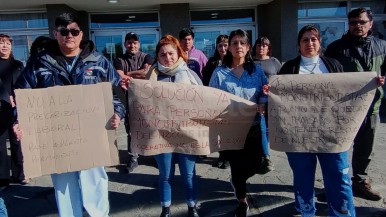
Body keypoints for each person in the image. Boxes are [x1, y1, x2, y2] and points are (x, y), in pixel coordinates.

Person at [14, 13, 125, 217]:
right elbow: (21, 97)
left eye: (74, 31)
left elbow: (117, 95)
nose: (69, 36)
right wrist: (18, 120)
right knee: (64, 184)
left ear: (81, 34)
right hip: (58, 138)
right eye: (64, 32)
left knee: (95, 181)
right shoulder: (40, 63)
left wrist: (117, 113)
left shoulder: (98, 61)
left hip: (93, 135)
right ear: (56, 34)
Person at [278, 24, 356, 217]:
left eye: (314, 39)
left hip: (331, 134)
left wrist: (372, 83)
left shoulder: (333, 65)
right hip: (299, 135)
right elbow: (280, 97)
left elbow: (347, 91)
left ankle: (342, 213)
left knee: (339, 176)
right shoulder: (289, 68)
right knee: (303, 178)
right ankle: (306, 211)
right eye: (305, 39)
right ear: (298, 45)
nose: (309, 43)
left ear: (320, 43)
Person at [121, 34, 202, 217]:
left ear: (178, 53)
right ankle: (165, 208)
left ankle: (192, 207)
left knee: (188, 174)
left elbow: (202, 102)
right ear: (157, 56)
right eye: (163, 54)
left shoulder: (190, 75)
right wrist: (131, 87)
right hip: (160, 135)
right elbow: (142, 102)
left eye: (171, 53)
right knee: (165, 175)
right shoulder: (151, 75)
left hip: (186, 134)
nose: (168, 58)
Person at [325, 7, 386, 201]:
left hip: (371, 107)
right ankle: (335, 185)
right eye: (353, 22)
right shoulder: (336, 48)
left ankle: (360, 181)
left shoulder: (382, 46)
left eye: (361, 22)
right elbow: (329, 78)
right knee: (337, 148)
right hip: (343, 108)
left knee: (365, 148)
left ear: (370, 23)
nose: (357, 26)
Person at [209, 29, 268, 217]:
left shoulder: (257, 70)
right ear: (229, 47)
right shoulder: (220, 72)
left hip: (253, 126)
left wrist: (262, 103)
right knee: (236, 164)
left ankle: (237, 181)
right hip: (230, 128)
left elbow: (264, 93)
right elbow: (211, 97)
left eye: (242, 43)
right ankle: (242, 200)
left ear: (248, 47)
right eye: (234, 43)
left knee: (256, 163)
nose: (238, 46)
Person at [113, 32, 154, 173]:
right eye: (129, 42)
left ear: (139, 44)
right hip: (128, 98)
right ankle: (133, 157)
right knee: (131, 129)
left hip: (146, 99)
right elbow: (119, 75)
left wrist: (129, 74)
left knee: (149, 127)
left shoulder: (147, 56)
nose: (132, 45)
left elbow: (146, 73)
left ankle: (152, 154)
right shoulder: (119, 59)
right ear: (125, 44)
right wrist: (138, 74)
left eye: (135, 42)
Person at [252, 37, 282, 173]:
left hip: (273, 100)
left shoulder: (274, 62)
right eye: (258, 45)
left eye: (264, 45)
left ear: (268, 48)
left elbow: (282, 80)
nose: (261, 47)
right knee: (262, 126)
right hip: (257, 100)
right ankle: (266, 156)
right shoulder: (250, 62)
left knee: (269, 127)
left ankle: (263, 150)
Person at [0, 34, 26, 186]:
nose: (4, 46)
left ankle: (19, 174)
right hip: (1, 108)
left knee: (17, 141)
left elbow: (22, 83)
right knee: (1, 145)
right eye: (1, 43)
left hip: (17, 108)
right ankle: (3, 178)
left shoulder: (18, 64)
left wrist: (18, 98)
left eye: (7, 43)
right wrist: (5, 97)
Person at [201, 34, 230, 169]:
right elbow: (206, 82)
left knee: (229, 130)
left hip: (231, 103)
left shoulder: (234, 61)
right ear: (216, 47)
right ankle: (222, 156)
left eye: (225, 45)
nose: (223, 48)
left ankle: (229, 157)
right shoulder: (212, 62)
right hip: (215, 102)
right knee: (218, 131)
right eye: (220, 46)